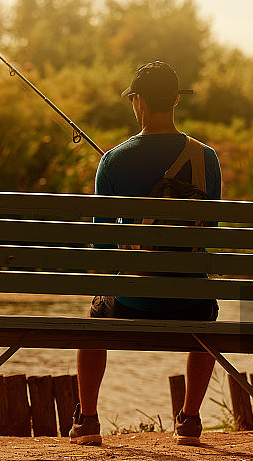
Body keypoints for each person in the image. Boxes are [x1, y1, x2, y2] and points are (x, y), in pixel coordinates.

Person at [69, 61, 222, 446]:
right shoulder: (207, 159)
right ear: (174, 100)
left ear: (136, 102)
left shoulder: (114, 161)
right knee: (208, 310)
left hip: (130, 301)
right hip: (192, 304)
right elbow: (211, 233)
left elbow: (101, 244)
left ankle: (87, 421)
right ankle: (189, 421)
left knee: (94, 314)